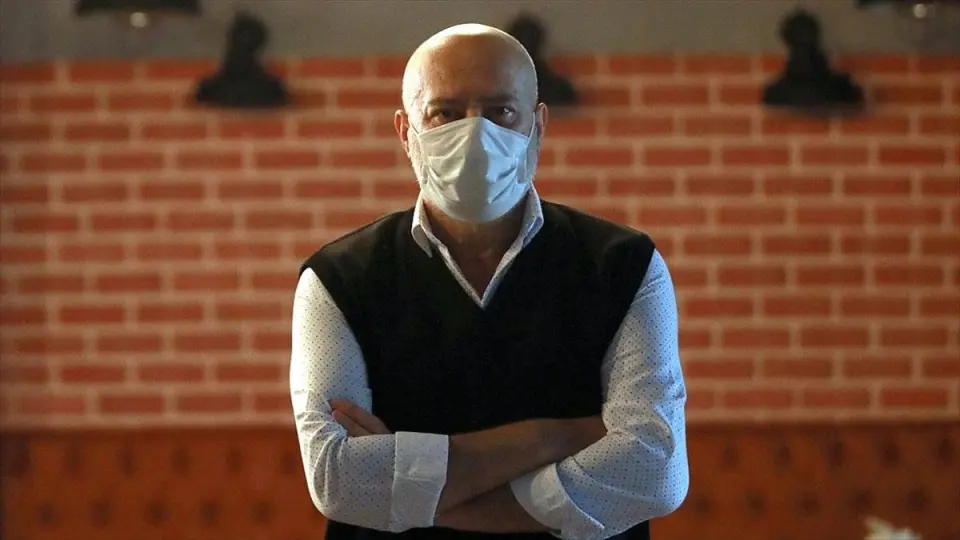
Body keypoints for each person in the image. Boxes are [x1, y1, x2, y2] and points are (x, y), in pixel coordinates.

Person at [289, 23, 689, 540]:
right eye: (445, 113)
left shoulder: (625, 266)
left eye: (501, 111)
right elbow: (337, 480)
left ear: (537, 126)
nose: (475, 133)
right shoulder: (338, 279)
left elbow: (655, 472)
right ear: (406, 131)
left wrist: (413, 496)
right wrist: (554, 437)